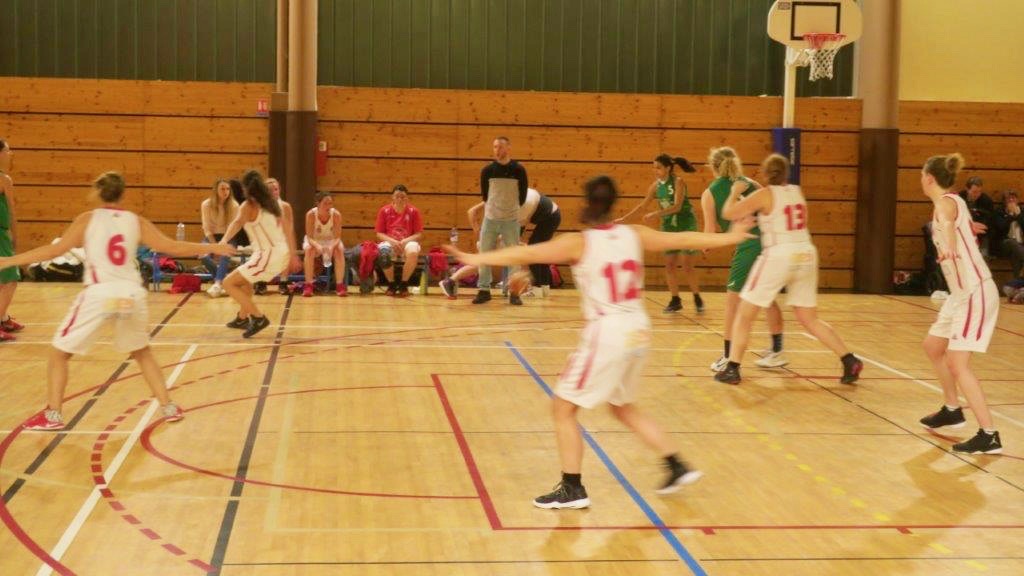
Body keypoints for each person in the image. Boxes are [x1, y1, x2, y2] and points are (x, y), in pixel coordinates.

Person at [446, 175, 754, 509]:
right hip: (638, 329)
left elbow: (527, 251)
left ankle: (572, 487)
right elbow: (683, 237)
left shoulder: (579, 242)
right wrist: (731, 236)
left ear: (586, 204)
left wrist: (476, 259)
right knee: (622, 407)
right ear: (613, 204)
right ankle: (676, 465)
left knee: (563, 408)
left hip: (609, 332)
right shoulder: (635, 234)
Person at [0, 171, 235, 430]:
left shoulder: (87, 220)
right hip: (130, 296)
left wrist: (10, 260)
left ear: (97, 192)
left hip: (101, 295)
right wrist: (212, 247)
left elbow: (53, 251)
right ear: (123, 194)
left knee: (58, 354)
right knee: (142, 352)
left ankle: (53, 414)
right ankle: (168, 406)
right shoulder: (135, 221)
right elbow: (172, 247)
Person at [714, 154, 863, 386]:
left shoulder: (765, 194)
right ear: (786, 173)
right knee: (809, 318)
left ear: (765, 174)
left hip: (779, 253)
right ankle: (849, 359)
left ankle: (732, 368)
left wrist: (734, 192)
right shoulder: (796, 191)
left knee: (744, 314)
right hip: (806, 253)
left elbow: (728, 213)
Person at [917, 153, 1002, 454]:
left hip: (975, 292)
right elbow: (954, 222)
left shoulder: (944, 204)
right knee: (933, 346)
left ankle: (989, 434)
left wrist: (951, 246)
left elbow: (948, 223)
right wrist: (966, 230)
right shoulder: (955, 201)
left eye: (922, 175)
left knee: (957, 363)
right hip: (959, 294)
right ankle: (952, 409)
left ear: (929, 178)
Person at [701, 147, 788, 371]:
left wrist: (703, 245)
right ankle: (777, 351)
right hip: (769, 243)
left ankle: (728, 357)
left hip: (748, 245)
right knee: (767, 297)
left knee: (732, 303)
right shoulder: (752, 184)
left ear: (713, 166)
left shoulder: (710, 193)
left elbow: (710, 231)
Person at [218, 170, 300, 338]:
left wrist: (223, 241)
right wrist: (293, 255)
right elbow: (288, 230)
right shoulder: (274, 204)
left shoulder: (249, 205)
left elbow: (236, 223)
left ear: (245, 188)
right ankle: (242, 318)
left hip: (268, 256)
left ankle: (258, 317)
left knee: (228, 283)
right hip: (279, 253)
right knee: (244, 282)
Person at [618, 154, 704, 313]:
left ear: (668, 168)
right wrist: (624, 219)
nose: (655, 170)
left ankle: (697, 297)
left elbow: (677, 206)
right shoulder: (656, 186)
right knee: (670, 265)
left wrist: (656, 214)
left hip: (686, 224)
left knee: (687, 265)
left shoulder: (678, 182)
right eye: (654, 167)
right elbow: (643, 206)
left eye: (658, 167)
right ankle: (675, 299)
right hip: (669, 226)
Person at [451, 188, 561, 298]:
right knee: (524, 251)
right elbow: (472, 212)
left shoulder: (519, 207)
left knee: (534, 250)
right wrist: (480, 235)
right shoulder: (500, 197)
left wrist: (488, 241)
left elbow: (515, 234)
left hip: (551, 217)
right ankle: (544, 289)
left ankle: (538, 289)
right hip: (546, 215)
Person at [475, 136, 528, 305]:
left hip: (511, 220)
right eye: (495, 147)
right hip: (490, 219)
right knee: (484, 254)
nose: (497, 150)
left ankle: (514, 292)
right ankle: (484, 290)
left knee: (513, 257)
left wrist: (510, 210)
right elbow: (485, 195)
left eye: (500, 147)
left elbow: (522, 196)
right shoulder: (487, 171)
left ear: (508, 148)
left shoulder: (519, 170)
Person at [302, 191, 346, 297]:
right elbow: (309, 237)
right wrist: (317, 246)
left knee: (339, 250)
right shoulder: (311, 214)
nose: (328, 206)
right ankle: (308, 285)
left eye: (330, 203)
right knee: (309, 250)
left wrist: (331, 247)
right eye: (325, 203)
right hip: (314, 240)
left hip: (331, 240)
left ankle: (340, 285)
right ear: (318, 203)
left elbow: (337, 237)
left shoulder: (336, 215)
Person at [200, 179, 239, 298]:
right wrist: (215, 246)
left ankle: (217, 284)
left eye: (228, 189)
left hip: (228, 236)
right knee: (202, 254)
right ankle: (223, 281)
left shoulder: (234, 205)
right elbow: (206, 227)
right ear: (216, 190)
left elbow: (233, 228)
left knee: (224, 254)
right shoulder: (206, 204)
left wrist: (222, 244)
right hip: (211, 236)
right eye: (222, 189)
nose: (225, 191)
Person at [0, 139, 22, 342]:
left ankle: (4, 318)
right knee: (10, 279)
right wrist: (15, 235)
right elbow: (12, 211)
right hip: (1, 236)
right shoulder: (4, 179)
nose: (10, 154)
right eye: (7, 151)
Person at [260, 177, 294, 295]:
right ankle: (261, 282)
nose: (274, 192)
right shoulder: (260, 207)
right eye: (270, 190)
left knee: (286, 250)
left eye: (276, 189)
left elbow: (289, 227)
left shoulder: (285, 206)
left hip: (281, 239)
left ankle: (283, 282)